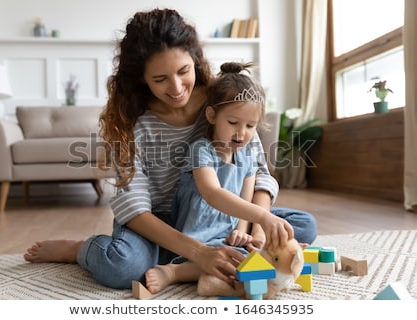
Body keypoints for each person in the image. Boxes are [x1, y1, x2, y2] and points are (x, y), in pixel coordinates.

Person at [23, 8, 317, 289]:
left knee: (302, 226)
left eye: (183, 71)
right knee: (120, 267)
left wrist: (259, 228)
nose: (176, 88)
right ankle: (79, 250)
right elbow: (135, 209)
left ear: (195, 60)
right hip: (158, 222)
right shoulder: (133, 123)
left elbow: (258, 173)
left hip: (219, 219)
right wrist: (201, 253)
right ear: (142, 78)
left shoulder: (223, 101)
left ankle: (194, 255)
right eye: (160, 79)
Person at [145, 61, 270, 294]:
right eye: (233, 123)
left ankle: (215, 273)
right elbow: (212, 193)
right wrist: (263, 218)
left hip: (227, 229)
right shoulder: (202, 149)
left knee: (245, 256)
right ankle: (173, 272)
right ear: (212, 115)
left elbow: (247, 197)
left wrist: (243, 231)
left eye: (251, 126)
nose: (241, 133)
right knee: (203, 255)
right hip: (198, 229)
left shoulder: (248, 154)